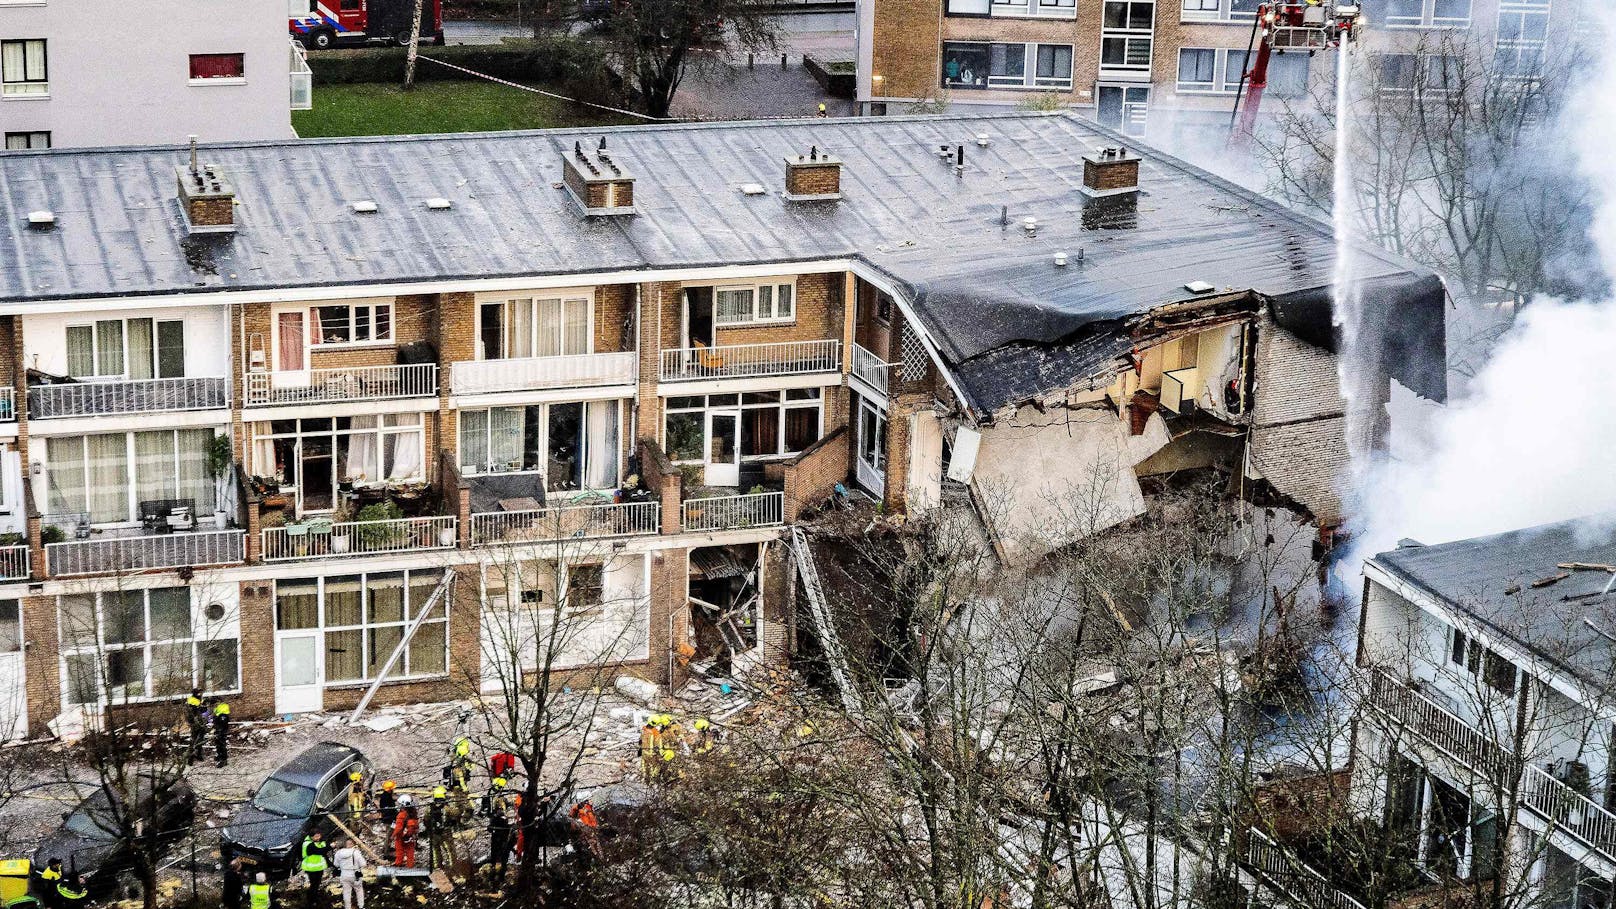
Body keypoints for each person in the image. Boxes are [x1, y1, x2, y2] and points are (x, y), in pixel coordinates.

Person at [332, 838, 366, 909]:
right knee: (359, 890)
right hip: (355, 874)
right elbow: (363, 864)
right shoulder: (356, 852)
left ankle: (347, 907)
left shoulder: (338, 853)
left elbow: (336, 864)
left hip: (344, 874)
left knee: (346, 892)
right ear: (353, 844)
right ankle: (361, 906)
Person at [300, 831, 329, 909]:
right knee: (314, 884)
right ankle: (312, 900)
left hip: (317, 868)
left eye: (319, 836)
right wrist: (329, 847)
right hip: (311, 868)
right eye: (316, 836)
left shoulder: (317, 842)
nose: (318, 838)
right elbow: (319, 851)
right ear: (311, 836)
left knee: (316, 884)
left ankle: (313, 899)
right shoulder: (309, 844)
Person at [486, 798, 512, 882]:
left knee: (500, 860)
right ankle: (496, 877)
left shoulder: (500, 818)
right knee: (498, 859)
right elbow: (490, 828)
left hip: (500, 841)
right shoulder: (498, 818)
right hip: (498, 841)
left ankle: (499, 877)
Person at [392, 798, 419, 869]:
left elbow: (398, 827)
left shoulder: (401, 815)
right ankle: (410, 866)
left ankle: (398, 864)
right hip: (411, 836)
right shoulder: (414, 813)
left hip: (401, 836)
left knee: (399, 850)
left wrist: (393, 835)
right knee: (410, 852)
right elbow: (416, 826)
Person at [186, 689, 208, 761]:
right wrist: (203, 705)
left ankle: (196, 755)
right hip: (196, 723)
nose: (200, 694)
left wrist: (203, 705)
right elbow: (198, 711)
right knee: (197, 739)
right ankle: (192, 756)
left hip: (197, 722)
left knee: (196, 739)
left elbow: (203, 710)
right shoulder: (193, 700)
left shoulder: (195, 700)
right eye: (199, 693)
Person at [212, 699, 232, 768]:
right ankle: (219, 756)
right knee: (218, 745)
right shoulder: (218, 713)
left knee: (222, 746)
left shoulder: (223, 714)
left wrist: (220, 732)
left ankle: (223, 760)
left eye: (216, 704)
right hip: (218, 731)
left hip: (221, 732)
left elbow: (223, 725)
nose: (215, 705)